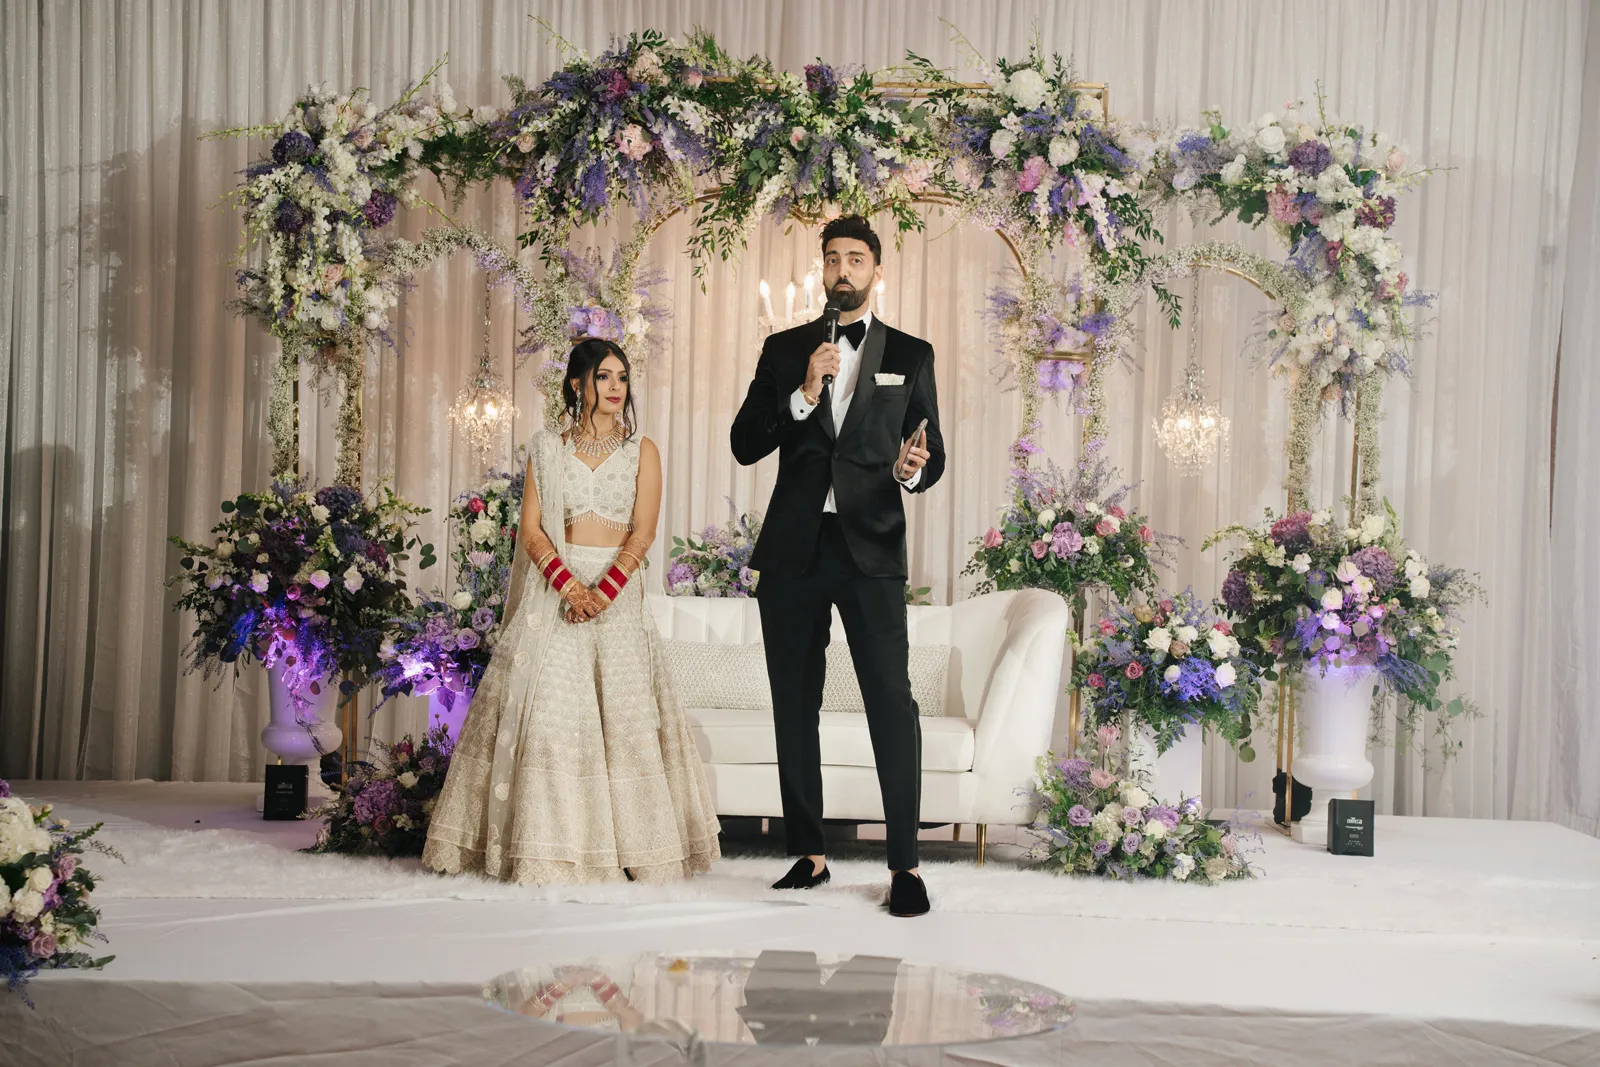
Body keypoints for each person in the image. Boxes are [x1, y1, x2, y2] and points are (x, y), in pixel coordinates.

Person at [423, 338, 721, 884]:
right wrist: (569, 588)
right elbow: (532, 530)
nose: (615, 388)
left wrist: (601, 593)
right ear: (577, 384)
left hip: (617, 596)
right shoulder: (548, 449)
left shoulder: (642, 451)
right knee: (550, 724)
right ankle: (548, 849)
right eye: (604, 377)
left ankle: (636, 851)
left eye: (622, 378)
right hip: (555, 597)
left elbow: (644, 531)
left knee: (625, 727)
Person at [730, 215, 945, 917]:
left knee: (890, 698)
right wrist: (804, 394)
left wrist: (915, 469)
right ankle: (810, 853)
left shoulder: (911, 353)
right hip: (795, 547)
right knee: (796, 701)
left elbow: (930, 449)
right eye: (832, 259)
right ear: (822, 270)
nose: (842, 270)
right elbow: (744, 442)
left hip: (871, 546)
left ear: (876, 271)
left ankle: (905, 864)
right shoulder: (787, 347)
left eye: (855, 258)